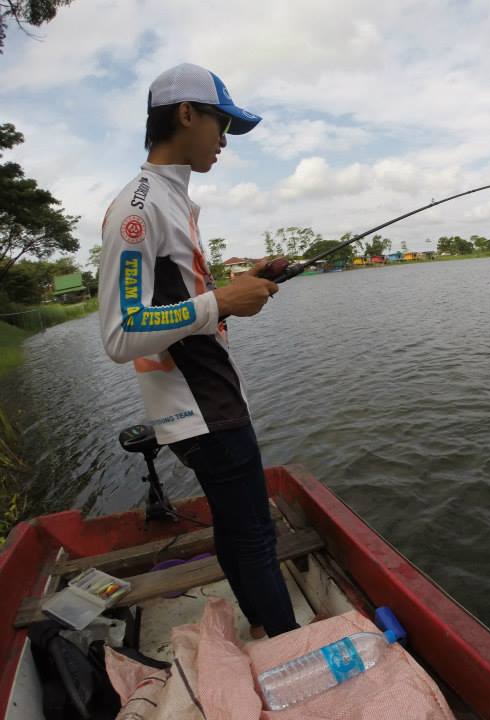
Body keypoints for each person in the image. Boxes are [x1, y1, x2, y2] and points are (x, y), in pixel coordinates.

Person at [99, 63, 297, 638]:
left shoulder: (171, 201)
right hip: (201, 406)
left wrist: (234, 287)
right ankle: (286, 643)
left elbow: (174, 303)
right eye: (222, 124)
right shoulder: (140, 211)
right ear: (186, 114)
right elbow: (121, 332)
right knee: (255, 532)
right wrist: (220, 303)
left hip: (207, 397)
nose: (225, 142)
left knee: (240, 529)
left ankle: (264, 628)